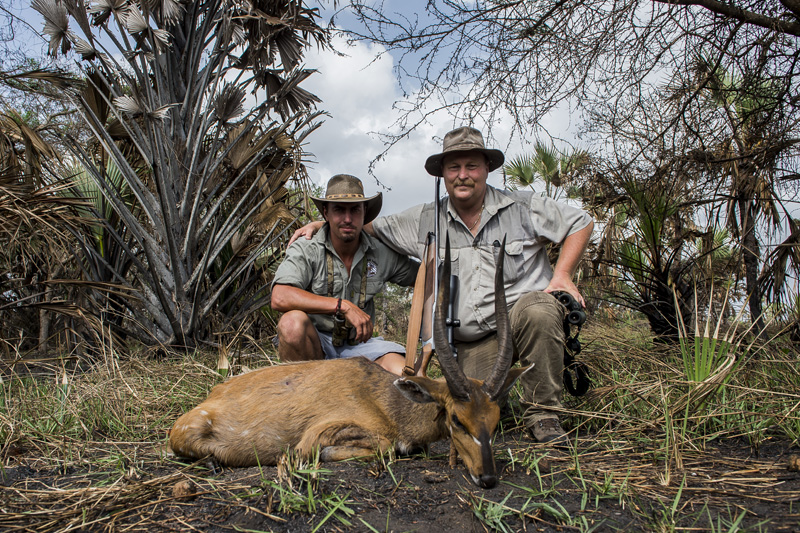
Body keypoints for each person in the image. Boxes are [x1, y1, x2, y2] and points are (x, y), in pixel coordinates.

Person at [290, 128, 594, 444]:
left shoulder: (521, 206)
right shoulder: (425, 218)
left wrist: (563, 276)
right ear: (443, 174)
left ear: (486, 168)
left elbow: (581, 222)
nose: (463, 175)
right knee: (468, 411)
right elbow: (364, 225)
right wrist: (325, 225)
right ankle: (511, 406)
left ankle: (543, 416)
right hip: (474, 343)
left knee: (540, 310)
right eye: (454, 168)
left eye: (471, 166)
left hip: (519, 321)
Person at [271, 174, 419, 376]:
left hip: (361, 347)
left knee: (408, 375)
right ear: (326, 212)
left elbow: (425, 279)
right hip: (317, 345)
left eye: (355, 210)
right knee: (291, 324)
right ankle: (304, 396)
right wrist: (342, 306)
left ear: (364, 212)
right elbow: (280, 296)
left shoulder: (382, 253)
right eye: (339, 209)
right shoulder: (308, 248)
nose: (347, 219)